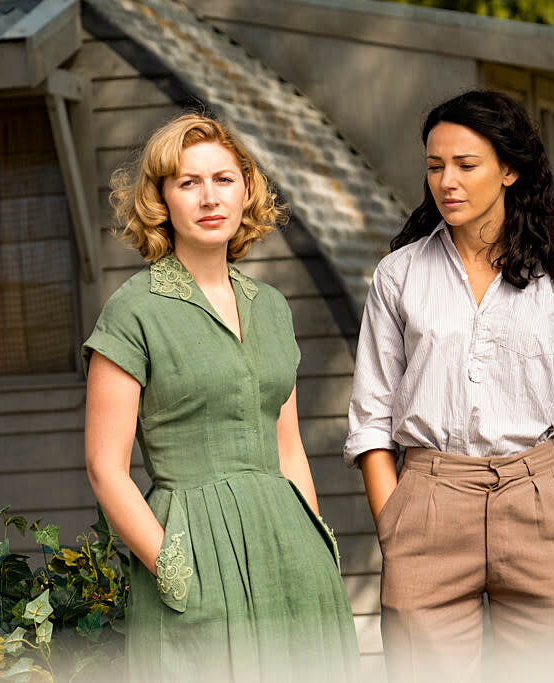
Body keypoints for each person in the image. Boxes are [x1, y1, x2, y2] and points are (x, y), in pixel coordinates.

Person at [345, 90, 554, 683]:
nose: (447, 181)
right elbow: (370, 416)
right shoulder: (398, 276)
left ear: (510, 169)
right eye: (434, 166)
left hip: (540, 502)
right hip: (428, 502)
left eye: (466, 165)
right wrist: (394, 516)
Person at [84, 113, 359, 682]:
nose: (209, 197)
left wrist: (317, 539)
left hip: (291, 551)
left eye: (224, 179)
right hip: (194, 548)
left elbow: (289, 450)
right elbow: (105, 469)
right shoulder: (133, 310)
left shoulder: (272, 307)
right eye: (188, 182)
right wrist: (174, 568)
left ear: (246, 190)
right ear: (161, 198)